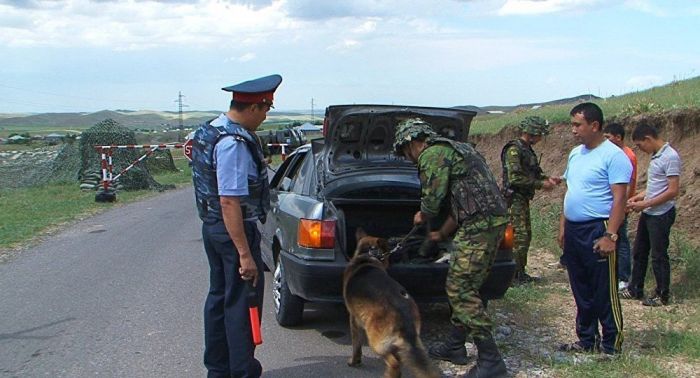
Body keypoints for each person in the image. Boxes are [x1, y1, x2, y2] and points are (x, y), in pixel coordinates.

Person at [393, 118, 509, 378]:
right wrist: (441, 233)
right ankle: (455, 346)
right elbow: (463, 200)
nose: (407, 157)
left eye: (404, 152)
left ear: (412, 142)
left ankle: (491, 361)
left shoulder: (431, 154)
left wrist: (422, 215)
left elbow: (433, 202)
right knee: (468, 285)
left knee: (460, 289)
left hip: (479, 225)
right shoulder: (459, 148)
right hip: (491, 222)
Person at [191, 74, 282, 378]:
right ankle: (242, 371)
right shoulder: (233, 143)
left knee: (220, 298)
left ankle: (218, 370)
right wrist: (244, 253)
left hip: (213, 229)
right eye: (266, 109)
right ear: (255, 106)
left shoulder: (210, 130)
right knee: (242, 304)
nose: (265, 116)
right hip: (233, 230)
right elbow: (229, 200)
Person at [557, 102, 631, 355]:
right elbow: (571, 191)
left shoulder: (613, 156)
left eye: (577, 125)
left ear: (594, 125)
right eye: (572, 125)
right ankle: (587, 340)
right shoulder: (576, 154)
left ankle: (612, 345)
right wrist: (563, 226)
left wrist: (610, 234)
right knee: (581, 288)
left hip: (598, 228)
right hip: (575, 230)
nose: (573, 130)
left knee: (603, 290)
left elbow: (619, 198)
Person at [620, 122, 681, 306]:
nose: (640, 149)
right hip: (649, 212)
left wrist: (645, 203)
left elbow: (672, 190)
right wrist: (637, 198)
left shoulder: (670, 157)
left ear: (648, 139)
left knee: (658, 255)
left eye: (640, 145)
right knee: (639, 251)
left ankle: (662, 294)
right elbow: (654, 187)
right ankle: (635, 288)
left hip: (661, 214)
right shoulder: (657, 156)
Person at [501, 115, 560, 284]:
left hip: (522, 199)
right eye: (540, 134)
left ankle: (519, 273)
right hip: (514, 199)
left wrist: (549, 178)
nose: (541, 138)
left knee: (525, 236)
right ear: (532, 132)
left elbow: (533, 172)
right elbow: (514, 178)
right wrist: (540, 184)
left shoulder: (526, 150)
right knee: (519, 237)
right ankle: (512, 276)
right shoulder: (514, 149)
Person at [603, 122, 637, 290]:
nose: (606, 141)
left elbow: (628, 185)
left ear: (618, 137)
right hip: (616, 205)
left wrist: (622, 205)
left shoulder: (626, 156)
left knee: (620, 240)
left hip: (620, 206)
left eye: (608, 137)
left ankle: (623, 278)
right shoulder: (617, 154)